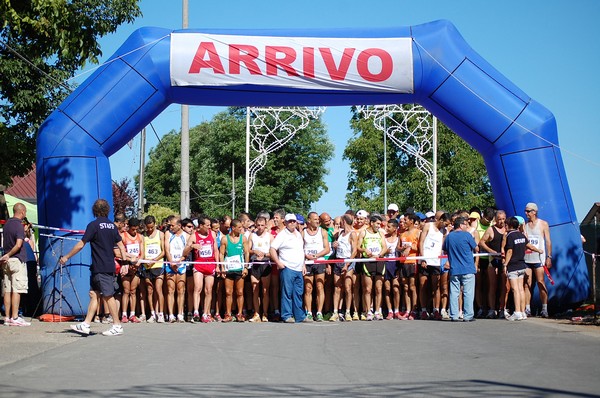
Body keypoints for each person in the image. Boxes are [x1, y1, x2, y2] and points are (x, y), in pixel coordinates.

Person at [61, 199, 128, 335]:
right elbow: (121, 245)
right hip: (103, 266)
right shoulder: (112, 226)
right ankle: (86, 324)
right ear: (107, 210)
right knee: (94, 294)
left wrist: (67, 256)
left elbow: (81, 244)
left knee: (108, 296)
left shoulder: (93, 225)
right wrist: (125, 263)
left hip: (102, 267)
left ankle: (117, 325)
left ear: (95, 211)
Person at [503, 216, 542, 321]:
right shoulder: (521, 235)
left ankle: (517, 312)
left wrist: (505, 264)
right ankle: (523, 311)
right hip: (522, 266)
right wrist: (539, 250)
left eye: (506, 224)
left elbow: (509, 251)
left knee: (515, 290)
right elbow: (530, 246)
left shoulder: (510, 236)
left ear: (510, 225)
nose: (505, 226)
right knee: (521, 289)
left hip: (513, 266)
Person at [270, 214, 307, 323]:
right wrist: (278, 262)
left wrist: (303, 264)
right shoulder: (282, 235)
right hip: (287, 268)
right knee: (287, 292)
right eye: (289, 221)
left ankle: (299, 315)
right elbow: (272, 249)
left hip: (298, 268)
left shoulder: (299, 234)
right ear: (285, 223)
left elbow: (301, 250)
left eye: (294, 221)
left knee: (298, 293)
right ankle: (286, 315)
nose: (292, 223)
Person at [1, 202, 31, 326]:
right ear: (22, 212)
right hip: (16, 259)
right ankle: (15, 317)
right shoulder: (19, 225)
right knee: (17, 289)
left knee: (7, 290)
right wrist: (10, 254)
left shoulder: (7, 224)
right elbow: (18, 244)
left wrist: (6, 255)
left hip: (6, 262)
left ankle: (7, 317)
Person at [184, 215, 218, 323]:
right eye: (207, 225)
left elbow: (216, 250)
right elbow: (184, 253)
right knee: (197, 288)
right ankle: (196, 312)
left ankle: (205, 313)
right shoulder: (194, 236)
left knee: (208, 290)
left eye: (210, 225)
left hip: (210, 264)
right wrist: (192, 246)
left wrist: (217, 265)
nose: (209, 227)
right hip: (199, 264)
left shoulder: (212, 234)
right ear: (201, 225)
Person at [443, 216, 477, 322]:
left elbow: (444, 249)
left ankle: (454, 315)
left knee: (454, 292)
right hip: (468, 268)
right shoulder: (467, 235)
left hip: (454, 269)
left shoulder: (449, 237)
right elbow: (476, 248)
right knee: (468, 292)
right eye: (466, 225)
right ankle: (468, 315)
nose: (467, 227)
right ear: (461, 225)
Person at [523, 202, 552, 318]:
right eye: (525, 211)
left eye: (528, 211)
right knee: (527, 283)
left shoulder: (543, 224)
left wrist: (549, 257)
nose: (526, 213)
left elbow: (548, 241)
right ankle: (527, 308)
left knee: (541, 282)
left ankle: (544, 308)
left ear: (534, 212)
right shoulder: (524, 225)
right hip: (527, 258)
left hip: (539, 258)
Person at [357, 215, 388, 321]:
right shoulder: (363, 232)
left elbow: (385, 247)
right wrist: (365, 250)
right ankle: (368, 311)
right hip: (367, 262)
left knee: (379, 288)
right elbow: (358, 247)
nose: (379, 226)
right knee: (368, 289)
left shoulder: (380, 233)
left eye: (380, 224)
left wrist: (379, 254)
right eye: (377, 224)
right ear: (371, 223)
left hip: (379, 261)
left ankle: (377, 311)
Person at [418, 212, 447, 320]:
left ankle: (436, 310)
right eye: (446, 223)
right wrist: (423, 258)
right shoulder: (427, 226)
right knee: (423, 286)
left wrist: (441, 261)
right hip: (425, 260)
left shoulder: (443, 231)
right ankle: (424, 310)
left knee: (436, 286)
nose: (446, 226)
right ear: (441, 220)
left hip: (436, 262)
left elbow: (441, 248)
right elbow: (421, 242)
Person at [302, 212, 331, 322]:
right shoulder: (303, 232)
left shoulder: (322, 232)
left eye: (318, 219)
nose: (317, 221)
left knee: (320, 287)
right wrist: (306, 256)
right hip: (308, 263)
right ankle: (309, 312)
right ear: (309, 220)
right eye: (315, 219)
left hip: (319, 262)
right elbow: (300, 248)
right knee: (308, 288)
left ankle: (319, 312)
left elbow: (327, 249)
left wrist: (317, 256)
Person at [219, 219, 249, 322]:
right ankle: (228, 314)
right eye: (239, 227)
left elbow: (246, 253)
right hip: (229, 269)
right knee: (228, 292)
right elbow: (221, 254)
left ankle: (240, 314)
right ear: (233, 228)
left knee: (240, 292)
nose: (241, 229)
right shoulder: (224, 239)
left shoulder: (243, 238)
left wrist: (246, 267)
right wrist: (222, 268)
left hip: (239, 269)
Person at [479, 210, 507, 318]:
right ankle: (491, 309)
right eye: (499, 219)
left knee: (504, 287)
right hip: (493, 261)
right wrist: (490, 251)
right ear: (495, 219)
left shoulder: (507, 229)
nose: (501, 221)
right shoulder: (491, 229)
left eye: (503, 219)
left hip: (504, 261)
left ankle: (502, 309)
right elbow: (481, 242)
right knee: (493, 286)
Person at [164, 216, 192, 323]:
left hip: (181, 265)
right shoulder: (168, 234)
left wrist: (180, 260)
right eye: (169, 225)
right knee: (171, 290)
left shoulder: (186, 236)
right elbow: (167, 249)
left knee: (181, 290)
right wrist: (171, 262)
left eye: (172, 225)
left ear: (179, 226)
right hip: (170, 264)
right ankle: (171, 314)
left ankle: (180, 314)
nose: (170, 227)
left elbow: (187, 251)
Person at [330, 214, 357, 322]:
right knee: (337, 287)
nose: (339, 223)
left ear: (344, 221)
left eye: (341, 221)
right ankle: (335, 311)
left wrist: (347, 264)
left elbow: (354, 251)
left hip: (347, 261)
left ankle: (347, 312)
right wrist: (334, 244)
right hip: (338, 260)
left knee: (347, 287)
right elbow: (335, 244)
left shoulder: (353, 234)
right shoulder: (341, 233)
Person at [248, 216, 273, 322]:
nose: (260, 227)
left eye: (262, 225)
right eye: (258, 225)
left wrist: (265, 254)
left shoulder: (270, 236)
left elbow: (274, 252)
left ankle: (265, 313)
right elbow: (247, 250)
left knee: (265, 290)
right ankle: (256, 313)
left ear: (266, 225)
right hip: (255, 264)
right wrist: (255, 251)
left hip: (266, 264)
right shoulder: (252, 235)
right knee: (255, 289)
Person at [120, 217, 144, 323]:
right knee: (126, 291)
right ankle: (124, 314)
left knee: (133, 291)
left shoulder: (140, 237)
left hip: (136, 267)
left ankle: (132, 314)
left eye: (136, 229)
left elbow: (142, 252)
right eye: (133, 229)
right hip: (126, 266)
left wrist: (138, 262)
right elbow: (120, 252)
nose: (134, 232)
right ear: (128, 227)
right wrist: (129, 260)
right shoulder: (123, 236)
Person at [141, 215, 165, 323]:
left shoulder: (161, 234)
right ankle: (152, 313)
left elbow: (163, 251)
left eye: (152, 227)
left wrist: (155, 260)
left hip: (158, 265)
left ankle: (161, 314)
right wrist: (146, 260)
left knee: (158, 289)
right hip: (147, 266)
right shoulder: (143, 236)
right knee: (149, 290)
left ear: (155, 224)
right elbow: (142, 251)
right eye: (148, 228)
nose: (150, 230)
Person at [398, 213, 420, 320]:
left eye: (405, 220)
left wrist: (410, 246)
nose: (404, 221)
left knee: (412, 286)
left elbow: (420, 248)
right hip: (403, 263)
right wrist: (402, 248)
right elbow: (398, 247)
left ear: (411, 221)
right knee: (405, 287)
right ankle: (407, 310)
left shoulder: (417, 232)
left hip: (412, 261)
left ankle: (414, 310)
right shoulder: (402, 234)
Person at [383, 218, 400, 320]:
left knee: (396, 288)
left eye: (389, 227)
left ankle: (397, 310)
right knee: (387, 288)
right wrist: (385, 251)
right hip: (385, 263)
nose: (386, 228)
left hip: (395, 264)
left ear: (394, 228)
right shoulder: (384, 238)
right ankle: (390, 311)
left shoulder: (399, 238)